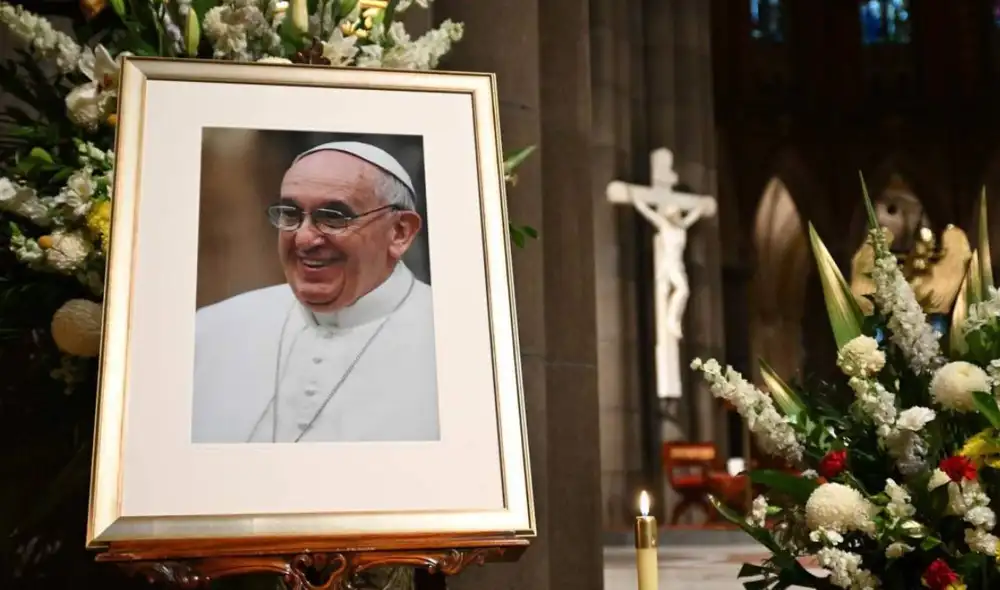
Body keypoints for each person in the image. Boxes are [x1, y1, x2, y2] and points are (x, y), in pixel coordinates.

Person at [191, 141, 439, 443]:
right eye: (290, 214)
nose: (304, 238)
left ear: (399, 232)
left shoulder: (453, 343)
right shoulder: (211, 329)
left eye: (334, 217)